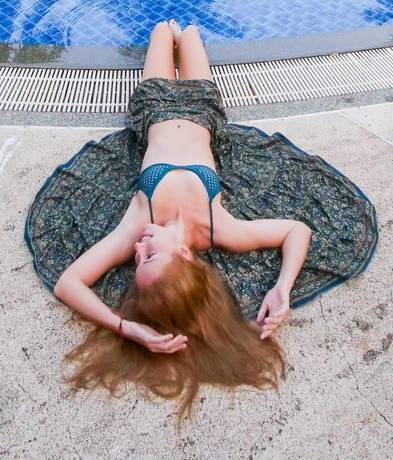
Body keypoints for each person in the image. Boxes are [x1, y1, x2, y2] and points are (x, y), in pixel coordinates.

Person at [52, 20, 312, 415]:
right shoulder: (220, 229)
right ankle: (183, 33)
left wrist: (127, 327)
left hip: (154, 105)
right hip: (203, 109)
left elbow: (68, 283)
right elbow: (297, 230)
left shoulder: (137, 226)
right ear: (186, 257)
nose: (139, 249)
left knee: (160, 31)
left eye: (136, 261)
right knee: (189, 33)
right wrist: (282, 287)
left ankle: (167, 32)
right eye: (150, 256)